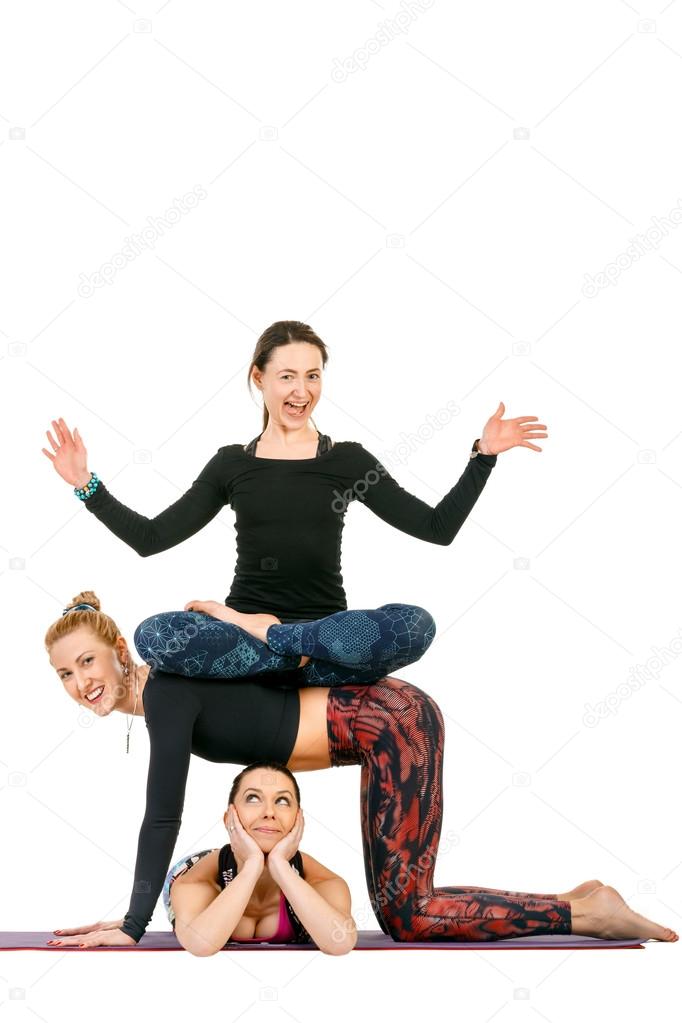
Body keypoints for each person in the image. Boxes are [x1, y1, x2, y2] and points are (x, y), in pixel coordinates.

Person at [45, 595, 678, 947]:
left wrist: (132, 926)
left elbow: (163, 815)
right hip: (381, 730)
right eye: (66, 675)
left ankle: (589, 912)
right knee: (408, 911)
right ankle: (581, 903)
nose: (81, 683)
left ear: (119, 651)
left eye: (87, 662)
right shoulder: (173, 693)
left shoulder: (166, 692)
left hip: (386, 723)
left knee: (408, 915)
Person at [40, 320, 541, 687]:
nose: (302, 391)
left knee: (417, 624)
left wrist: (482, 457)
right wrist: (87, 485)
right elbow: (152, 539)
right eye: (287, 377)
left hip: (324, 629)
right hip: (243, 637)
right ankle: (299, 659)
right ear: (259, 378)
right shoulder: (231, 465)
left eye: (313, 376)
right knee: (157, 635)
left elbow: (437, 527)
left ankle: (288, 648)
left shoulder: (347, 460)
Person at [162, 762, 356, 955]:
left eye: (282, 801)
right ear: (229, 817)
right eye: (253, 798)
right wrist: (252, 866)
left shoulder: (322, 881)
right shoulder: (195, 881)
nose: (269, 812)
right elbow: (200, 945)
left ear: (299, 819)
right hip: (208, 865)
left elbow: (340, 943)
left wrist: (280, 866)